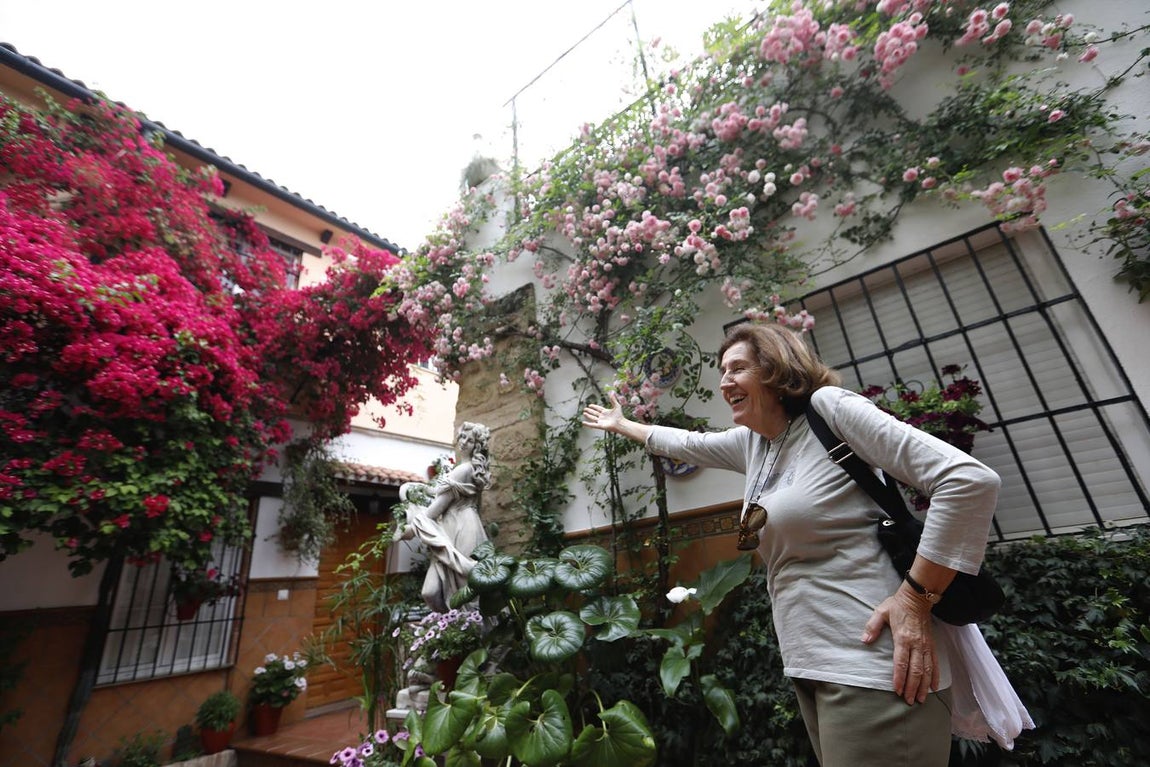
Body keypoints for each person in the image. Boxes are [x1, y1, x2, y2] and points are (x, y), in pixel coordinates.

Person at [582, 322, 1030, 767]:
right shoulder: (755, 445)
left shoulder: (828, 409)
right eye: (722, 371)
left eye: (737, 368)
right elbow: (688, 443)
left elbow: (968, 481)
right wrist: (623, 425)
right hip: (812, 665)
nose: (724, 382)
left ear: (776, 369)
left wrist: (914, 601)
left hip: (874, 667)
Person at [397, 422, 493, 613]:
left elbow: (434, 511)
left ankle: (466, 633)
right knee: (430, 591)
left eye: (471, 440)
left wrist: (410, 529)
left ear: (477, 446)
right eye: (463, 437)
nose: (464, 442)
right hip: (455, 526)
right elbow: (440, 496)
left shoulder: (463, 470)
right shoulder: (467, 470)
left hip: (461, 529)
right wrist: (422, 490)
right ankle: (451, 628)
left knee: (465, 592)